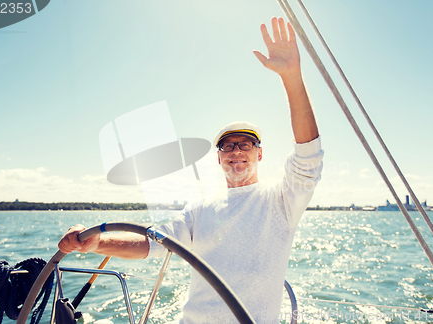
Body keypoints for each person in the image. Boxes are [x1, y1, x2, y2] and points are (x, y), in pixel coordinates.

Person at [58, 17, 323, 323]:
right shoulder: (199, 209)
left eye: (245, 144)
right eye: (228, 146)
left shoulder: (281, 202)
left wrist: (292, 77)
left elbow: (308, 160)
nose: (236, 151)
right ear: (218, 158)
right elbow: (153, 243)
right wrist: (97, 242)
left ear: (260, 154)